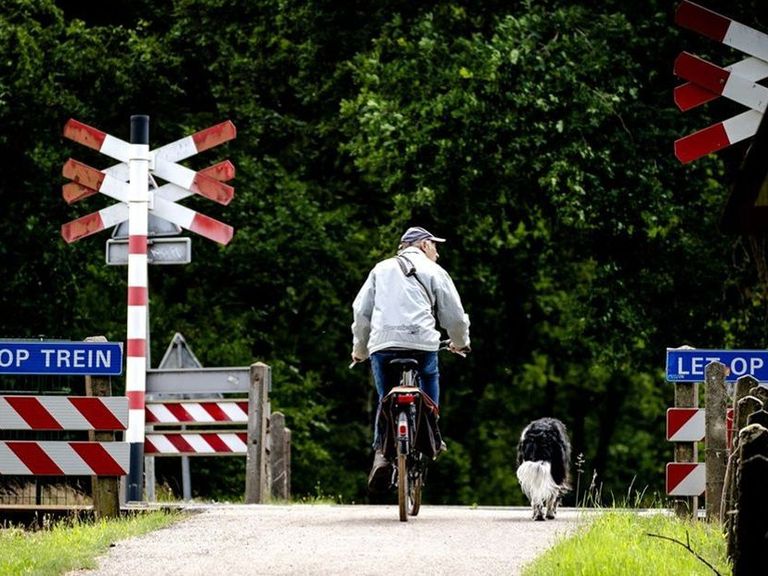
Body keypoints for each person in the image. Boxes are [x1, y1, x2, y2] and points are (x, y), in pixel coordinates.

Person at [351, 225, 471, 492]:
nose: (437, 254)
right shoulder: (435, 271)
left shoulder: (379, 270)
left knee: (385, 398)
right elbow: (454, 315)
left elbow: (361, 313)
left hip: (383, 345)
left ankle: (381, 454)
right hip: (422, 344)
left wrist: (359, 350)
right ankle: (432, 436)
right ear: (424, 245)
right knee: (429, 379)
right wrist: (461, 344)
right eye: (435, 247)